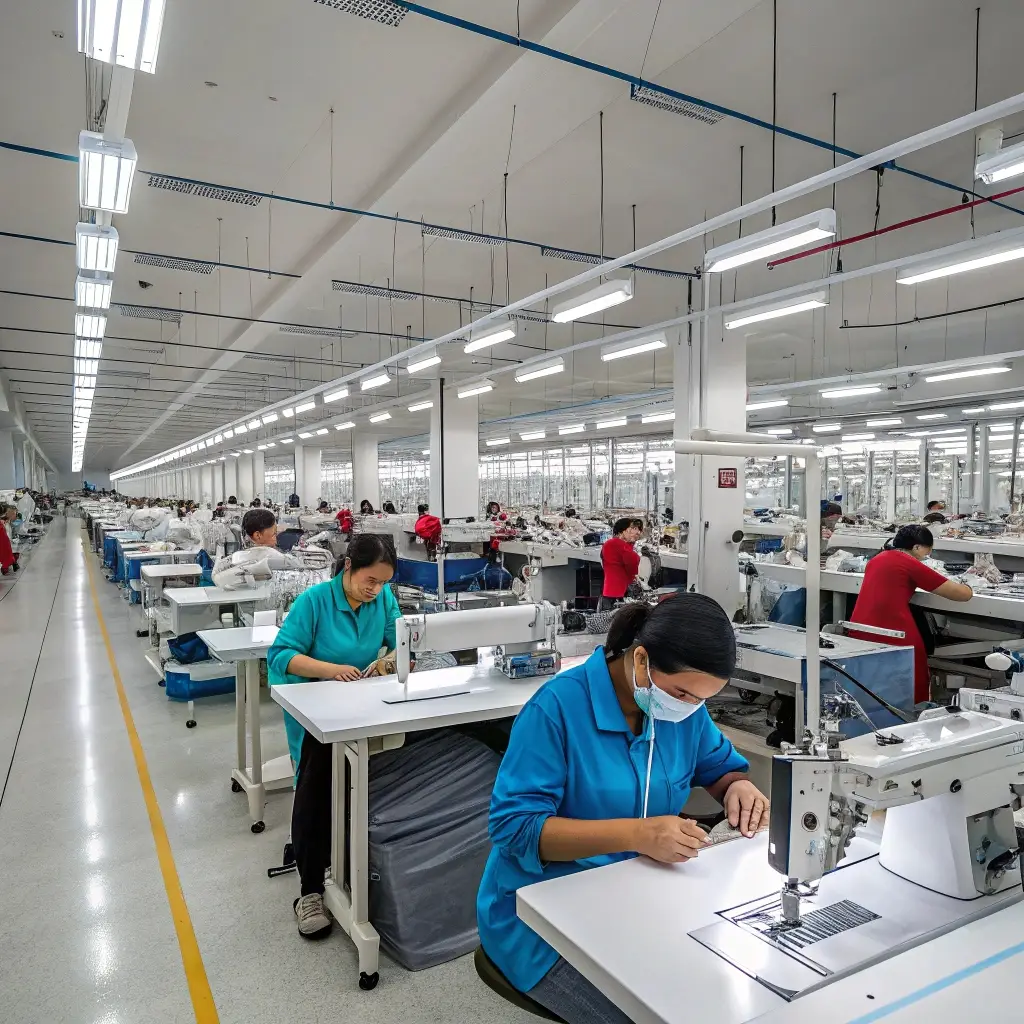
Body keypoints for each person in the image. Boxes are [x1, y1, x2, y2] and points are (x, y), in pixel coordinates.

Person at [477, 597, 767, 1024]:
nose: (688, 707)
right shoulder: (556, 709)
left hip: (647, 896)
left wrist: (738, 787)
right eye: (683, 693)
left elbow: (717, 765)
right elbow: (515, 829)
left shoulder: (683, 711)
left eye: (700, 700)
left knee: (725, 993)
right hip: (544, 914)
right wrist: (638, 835)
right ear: (641, 658)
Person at [267, 534, 401, 939]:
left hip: (363, 704)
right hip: (316, 710)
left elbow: (403, 643)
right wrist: (332, 669)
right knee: (317, 786)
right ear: (348, 568)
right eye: (370, 581)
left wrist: (390, 662)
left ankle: (355, 860)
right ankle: (309, 890)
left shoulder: (384, 599)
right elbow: (280, 656)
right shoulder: (315, 602)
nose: (376, 590)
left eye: (383, 583)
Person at [849, 524, 973, 704]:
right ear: (916, 547)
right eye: (926, 552)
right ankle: (914, 715)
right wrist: (971, 585)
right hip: (892, 632)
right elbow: (960, 595)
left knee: (871, 683)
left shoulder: (877, 559)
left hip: (860, 628)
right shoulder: (909, 563)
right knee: (915, 674)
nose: (926, 557)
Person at [599, 518, 643, 611]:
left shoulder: (612, 544)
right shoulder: (616, 543)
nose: (637, 532)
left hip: (611, 592)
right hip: (616, 595)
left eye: (638, 529)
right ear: (623, 531)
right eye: (633, 529)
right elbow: (633, 561)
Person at [0, 504, 19, 576]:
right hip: (4, 539)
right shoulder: (4, 522)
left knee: (5, 552)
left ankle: (12, 563)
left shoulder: (4, 522)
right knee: (6, 552)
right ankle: (13, 562)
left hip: (4, 539)